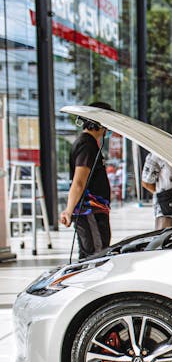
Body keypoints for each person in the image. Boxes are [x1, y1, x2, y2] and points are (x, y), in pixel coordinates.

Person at [59, 101, 114, 259]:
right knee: (95, 257)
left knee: (94, 254)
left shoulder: (91, 145)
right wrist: (68, 211)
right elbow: (79, 182)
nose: (107, 128)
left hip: (95, 211)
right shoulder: (87, 145)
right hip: (89, 211)